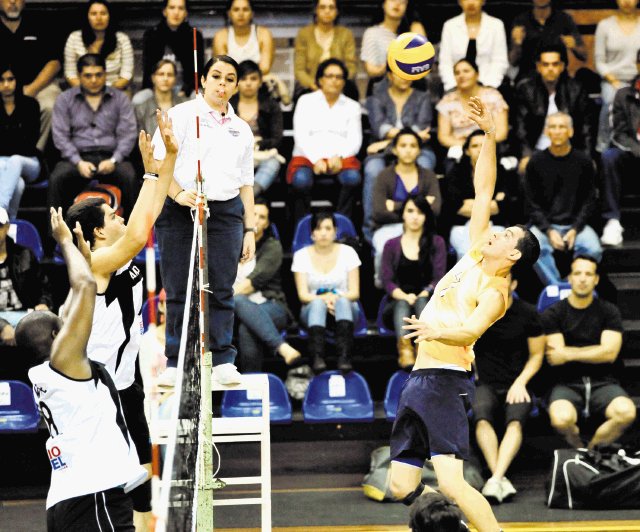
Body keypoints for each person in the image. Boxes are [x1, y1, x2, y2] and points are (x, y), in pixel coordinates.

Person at [390, 97, 540, 532]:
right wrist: (490, 137)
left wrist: (434, 327)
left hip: (445, 381)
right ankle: (449, 525)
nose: (496, 229)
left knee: (453, 483)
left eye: (506, 233)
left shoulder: (496, 291)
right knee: (401, 485)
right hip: (419, 379)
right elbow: (483, 189)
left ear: (512, 254)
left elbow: (472, 330)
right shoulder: (475, 253)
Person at [65, 110, 177, 531]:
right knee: (116, 483)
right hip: (99, 390)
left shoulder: (116, 249)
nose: (119, 217)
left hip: (125, 381)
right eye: (111, 216)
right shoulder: (96, 263)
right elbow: (136, 234)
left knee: (142, 481)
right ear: (95, 233)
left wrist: (166, 163)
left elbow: (150, 212)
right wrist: (149, 175)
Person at [17, 208, 147, 531]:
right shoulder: (65, 363)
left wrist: (85, 258)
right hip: (94, 497)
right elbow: (86, 287)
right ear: (54, 339)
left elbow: (76, 299)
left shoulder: (45, 373)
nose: (68, 324)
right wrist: (66, 243)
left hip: (65, 500)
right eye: (61, 326)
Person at [152, 55, 255, 387]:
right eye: (216, 76)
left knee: (222, 288)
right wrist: (179, 194)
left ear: (236, 86)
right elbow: (156, 163)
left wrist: (250, 229)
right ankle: (175, 361)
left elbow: (246, 184)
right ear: (204, 80)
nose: (222, 84)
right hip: (180, 209)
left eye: (229, 78)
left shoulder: (242, 129)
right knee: (180, 288)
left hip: (225, 213)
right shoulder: (181, 115)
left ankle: (222, 358)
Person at [542, 255, 636, 449]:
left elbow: (609, 353)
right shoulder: (553, 313)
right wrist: (595, 352)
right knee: (561, 419)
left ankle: (591, 453)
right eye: (577, 273)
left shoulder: (609, 311)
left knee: (627, 412)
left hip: (604, 382)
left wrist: (569, 354)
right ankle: (579, 448)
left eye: (588, 274)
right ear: (569, 278)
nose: (583, 278)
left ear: (596, 279)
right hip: (566, 383)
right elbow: (555, 357)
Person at [471, 272, 545, 504]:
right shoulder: (478, 312)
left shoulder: (528, 314)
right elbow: (465, 343)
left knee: (515, 421)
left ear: (514, 284)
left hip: (518, 383)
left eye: (503, 282)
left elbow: (537, 355)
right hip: (486, 384)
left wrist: (521, 382)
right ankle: (498, 478)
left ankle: (495, 478)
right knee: (481, 418)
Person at [49, 53, 138, 219]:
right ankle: (56, 239)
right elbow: (60, 136)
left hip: (112, 158)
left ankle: (132, 236)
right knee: (57, 178)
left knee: (130, 176)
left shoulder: (120, 99)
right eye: (88, 76)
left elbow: (128, 134)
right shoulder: (65, 99)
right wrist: (78, 162)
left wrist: (114, 160)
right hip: (77, 159)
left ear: (105, 74)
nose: (94, 80)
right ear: (79, 76)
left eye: (98, 75)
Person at [523, 112, 601, 286]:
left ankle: (573, 284)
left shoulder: (584, 161)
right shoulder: (535, 162)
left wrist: (575, 229)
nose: (557, 131)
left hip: (575, 226)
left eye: (562, 127)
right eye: (553, 127)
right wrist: (549, 230)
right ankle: (557, 287)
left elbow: (589, 200)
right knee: (533, 249)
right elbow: (531, 203)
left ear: (571, 132)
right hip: (545, 226)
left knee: (593, 248)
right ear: (547, 131)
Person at [363, 67, 436, 242]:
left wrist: (389, 142)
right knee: (373, 169)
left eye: (408, 73)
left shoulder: (423, 96)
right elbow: (380, 128)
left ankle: (425, 226)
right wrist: (401, 140)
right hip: (385, 152)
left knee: (425, 164)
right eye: (399, 72)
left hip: (416, 148)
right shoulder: (375, 98)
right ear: (389, 75)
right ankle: (370, 231)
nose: (404, 77)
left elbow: (422, 128)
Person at [288, 58, 361, 221]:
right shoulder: (305, 101)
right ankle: (304, 227)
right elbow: (301, 136)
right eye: (329, 76)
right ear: (320, 80)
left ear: (344, 82)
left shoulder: (352, 106)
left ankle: (342, 227)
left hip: (339, 159)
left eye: (339, 77)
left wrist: (339, 157)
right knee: (301, 181)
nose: (334, 80)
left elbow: (355, 140)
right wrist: (316, 159)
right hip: (308, 158)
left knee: (352, 179)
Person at [380, 195, 447, 368]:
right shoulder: (390, 245)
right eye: (410, 211)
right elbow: (386, 280)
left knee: (422, 301)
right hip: (395, 305)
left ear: (426, 216)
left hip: (428, 302)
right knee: (403, 302)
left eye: (420, 212)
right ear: (403, 214)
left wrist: (425, 291)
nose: (415, 216)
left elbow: (439, 277)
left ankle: (423, 349)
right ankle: (405, 350)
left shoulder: (437, 242)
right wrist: (403, 295)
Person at [234, 199, 300, 372]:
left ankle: (250, 385)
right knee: (243, 317)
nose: (256, 220)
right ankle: (281, 348)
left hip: (272, 306)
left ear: (267, 224)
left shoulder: (273, 247)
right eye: (253, 214)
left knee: (242, 311)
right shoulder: (230, 245)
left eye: (262, 217)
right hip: (234, 310)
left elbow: (252, 283)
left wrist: (224, 298)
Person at [292, 211, 361, 374]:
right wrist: (325, 299)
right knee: (316, 303)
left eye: (328, 228)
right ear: (312, 233)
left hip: (345, 309)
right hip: (312, 310)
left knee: (343, 302)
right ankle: (317, 357)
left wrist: (335, 298)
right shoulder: (301, 256)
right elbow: (303, 295)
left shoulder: (348, 253)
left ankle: (345, 357)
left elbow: (354, 293)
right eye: (318, 228)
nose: (323, 233)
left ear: (335, 231)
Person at [371, 128, 441, 281]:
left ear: (419, 150)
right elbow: (378, 212)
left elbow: (435, 210)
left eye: (413, 146)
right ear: (395, 150)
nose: (408, 150)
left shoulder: (428, 176)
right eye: (403, 146)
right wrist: (420, 208)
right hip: (389, 228)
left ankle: (425, 288)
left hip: (422, 228)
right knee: (384, 247)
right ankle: (383, 285)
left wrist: (395, 206)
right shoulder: (384, 176)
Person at [514, 42, 593, 175]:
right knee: (525, 168)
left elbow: (587, 128)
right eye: (545, 64)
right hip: (537, 151)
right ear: (538, 67)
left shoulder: (576, 89)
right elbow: (520, 128)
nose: (550, 68)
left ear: (562, 66)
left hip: (569, 152)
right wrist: (526, 155)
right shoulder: (526, 90)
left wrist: (587, 156)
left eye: (555, 64)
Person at [0, 0, 63, 152]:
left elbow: (54, 63)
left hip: (38, 86)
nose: (13, 2)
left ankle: (34, 155)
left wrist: (31, 90)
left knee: (50, 106)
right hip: (3, 86)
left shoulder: (39, 23)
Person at [443, 130, 508, 261]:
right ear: (467, 151)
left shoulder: (503, 173)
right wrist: (490, 205)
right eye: (475, 146)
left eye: (484, 144)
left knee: (496, 254)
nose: (480, 149)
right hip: (461, 227)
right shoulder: (455, 173)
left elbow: (505, 207)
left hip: (494, 226)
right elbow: (454, 207)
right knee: (467, 253)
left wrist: (470, 205)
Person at [437, 59, 509, 172]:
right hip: (461, 148)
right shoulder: (447, 101)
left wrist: (482, 145)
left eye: (466, 71)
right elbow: (443, 136)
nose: (461, 75)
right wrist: (469, 147)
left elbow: (502, 132)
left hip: (490, 145)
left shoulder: (493, 96)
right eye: (457, 72)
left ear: (477, 74)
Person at [599, 47, 640, 247]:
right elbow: (618, 133)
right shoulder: (623, 94)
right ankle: (612, 221)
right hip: (631, 154)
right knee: (608, 157)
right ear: (638, 65)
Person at [230, 60, 283, 198]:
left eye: (253, 79)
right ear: (237, 82)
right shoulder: (227, 105)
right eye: (243, 78)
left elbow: (277, 138)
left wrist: (259, 144)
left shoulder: (271, 105)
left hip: (263, 153)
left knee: (273, 163)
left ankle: (248, 198)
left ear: (260, 82)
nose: (248, 83)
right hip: (235, 154)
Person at [594, 0, 640, 153]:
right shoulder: (605, 26)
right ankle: (602, 148)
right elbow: (599, 61)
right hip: (612, 79)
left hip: (638, 80)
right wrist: (614, 81)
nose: (627, 1)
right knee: (610, 102)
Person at [139, 0, 204, 103]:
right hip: (157, 87)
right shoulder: (152, 35)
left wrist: (185, 90)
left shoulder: (194, 36)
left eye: (180, 8)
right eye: (172, 7)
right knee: (138, 100)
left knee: (200, 99)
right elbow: (148, 70)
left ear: (186, 12)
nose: (176, 12)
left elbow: (198, 70)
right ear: (165, 11)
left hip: (185, 88)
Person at [438, 0, 509, 93]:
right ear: (459, 2)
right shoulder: (450, 26)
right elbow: (445, 62)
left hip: (489, 86)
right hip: (456, 86)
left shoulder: (496, 25)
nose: (471, 2)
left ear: (483, 1)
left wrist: (489, 87)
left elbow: (500, 61)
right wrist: (454, 87)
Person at [293, 0, 357, 102]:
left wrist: (336, 85)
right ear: (316, 10)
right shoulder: (304, 34)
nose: (327, 11)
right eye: (322, 7)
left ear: (337, 11)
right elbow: (299, 70)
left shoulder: (346, 34)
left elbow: (351, 67)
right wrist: (316, 87)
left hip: (340, 88)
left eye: (331, 7)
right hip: (310, 88)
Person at [0, 62, 41, 219]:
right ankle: (9, 225)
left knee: (15, 160)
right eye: (1, 80)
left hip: (29, 162)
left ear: (17, 81)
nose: (6, 85)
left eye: (10, 79)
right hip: (2, 162)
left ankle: (1, 207)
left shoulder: (30, 105)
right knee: (18, 184)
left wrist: (7, 143)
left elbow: (29, 143)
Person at [63, 0, 134, 91]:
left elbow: (126, 75)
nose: (99, 18)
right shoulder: (74, 38)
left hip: (115, 90)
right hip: (82, 90)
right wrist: (89, 92)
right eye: (93, 14)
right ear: (87, 17)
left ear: (110, 17)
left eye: (103, 13)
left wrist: (106, 93)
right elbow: (70, 74)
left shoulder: (122, 39)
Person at [509, 0, 585, 83]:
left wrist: (574, 47)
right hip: (528, 78)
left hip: (558, 77)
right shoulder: (521, 20)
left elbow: (584, 56)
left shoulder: (564, 19)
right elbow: (513, 62)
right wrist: (517, 45)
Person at [360, 0, 426, 95]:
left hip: (411, 86)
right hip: (383, 87)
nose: (397, 4)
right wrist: (392, 66)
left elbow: (422, 64)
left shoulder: (414, 29)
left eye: (402, 2)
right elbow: (371, 70)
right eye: (392, 0)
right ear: (383, 4)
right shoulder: (372, 32)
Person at [0, 206, 52, 327]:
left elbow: (44, 287)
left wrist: (44, 303)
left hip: (23, 316)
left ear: (7, 227)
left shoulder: (25, 255)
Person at [212, 0, 274, 76]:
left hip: (257, 82)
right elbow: (222, 68)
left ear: (252, 13)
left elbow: (265, 68)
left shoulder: (264, 34)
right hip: (231, 83)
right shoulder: (221, 36)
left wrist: (247, 81)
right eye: (236, 10)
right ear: (229, 13)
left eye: (245, 9)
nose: (241, 14)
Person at [134, 59, 188, 136]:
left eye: (170, 75)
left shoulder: (185, 106)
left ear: (175, 79)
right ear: (153, 78)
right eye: (161, 74)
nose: (165, 78)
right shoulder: (141, 110)